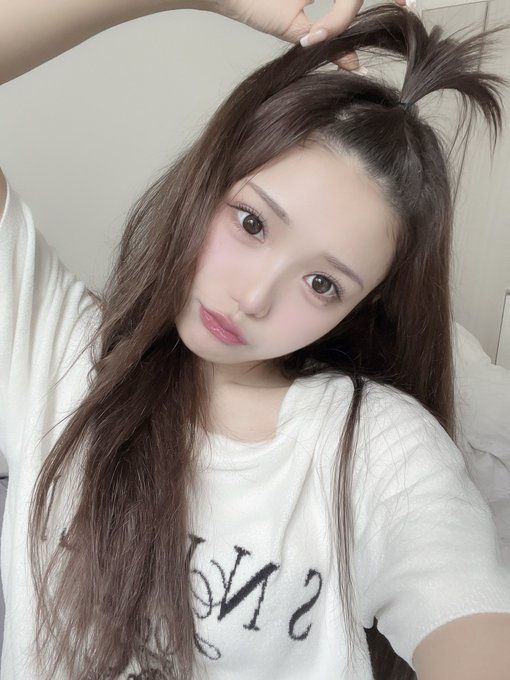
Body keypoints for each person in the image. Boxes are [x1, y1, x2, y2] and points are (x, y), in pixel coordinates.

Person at [0, 1, 509, 679]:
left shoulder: (375, 450)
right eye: (251, 223)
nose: (253, 298)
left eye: (322, 284)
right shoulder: (61, 353)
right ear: (209, 180)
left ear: (361, 306)